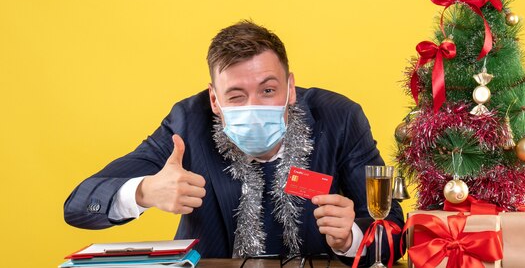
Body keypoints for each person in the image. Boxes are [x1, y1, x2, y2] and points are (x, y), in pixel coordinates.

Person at [64, 20, 404, 266]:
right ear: (214, 100)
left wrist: (351, 240)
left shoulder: (340, 119)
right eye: (236, 96)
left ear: (291, 89)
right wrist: (144, 192)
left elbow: (394, 230)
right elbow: (78, 205)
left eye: (268, 90)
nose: (254, 106)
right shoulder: (188, 122)